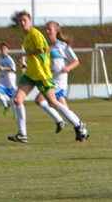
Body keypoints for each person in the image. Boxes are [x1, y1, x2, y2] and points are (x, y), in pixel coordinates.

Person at [7, 11, 89, 143]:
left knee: (53, 102)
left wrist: (25, 54)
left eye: (24, 20)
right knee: (17, 100)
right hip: (31, 74)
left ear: (30, 21)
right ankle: (22, 134)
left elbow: (40, 50)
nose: (22, 23)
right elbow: (39, 56)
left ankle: (78, 124)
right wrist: (25, 62)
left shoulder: (36, 34)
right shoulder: (28, 37)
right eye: (20, 21)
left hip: (43, 75)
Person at [34, 21, 81, 134]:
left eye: (49, 29)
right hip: (50, 79)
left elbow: (76, 61)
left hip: (59, 81)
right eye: (46, 29)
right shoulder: (46, 47)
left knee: (40, 99)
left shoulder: (62, 46)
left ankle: (60, 120)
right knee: (64, 108)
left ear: (56, 31)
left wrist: (67, 68)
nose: (47, 31)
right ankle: (81, 128)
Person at [0, 42, 17, 115]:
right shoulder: (0, 58)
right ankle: (6, 106)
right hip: (2, 80)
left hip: (9, 81)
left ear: (7, 50)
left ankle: (15, 113)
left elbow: (13, 69)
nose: (2, 50)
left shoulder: (9, 59)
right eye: (1, 49)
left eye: (4, 49)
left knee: (12, 99)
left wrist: (3, 68)